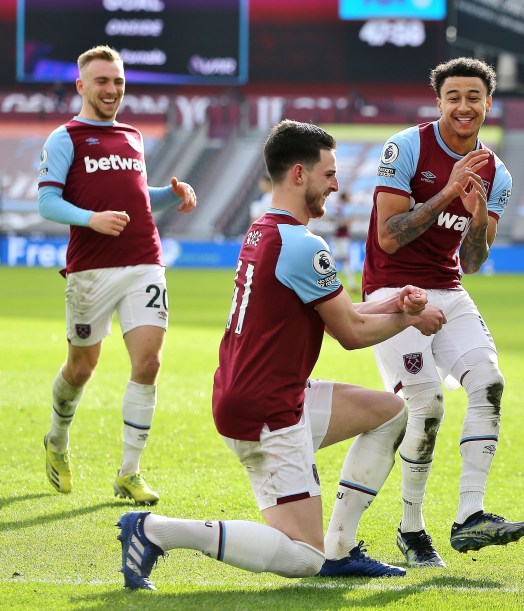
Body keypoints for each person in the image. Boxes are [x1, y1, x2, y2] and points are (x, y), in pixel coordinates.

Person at [116, 119, 448, 590]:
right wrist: (410, 318)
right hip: (267, 408)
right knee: (302, 557)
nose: (336, 183)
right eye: (328, 173)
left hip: (265, 392)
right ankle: (154, 531)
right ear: (298, 174)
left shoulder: (265, 230)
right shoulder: (299, 244)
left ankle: (343, 547)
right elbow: (349, 333)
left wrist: (395, 303)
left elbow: (337, 310)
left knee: (390, 413)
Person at [363, 57, 524, 568]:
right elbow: (388, 238)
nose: (464, 106)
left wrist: (479, 219)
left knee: (489, 382)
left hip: (450, 290)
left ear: (487, 103)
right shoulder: (406, 147)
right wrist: (445, 193)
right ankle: (411, 529)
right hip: (393, 292)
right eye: (453, 96)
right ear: (438, 102)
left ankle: (469, 517)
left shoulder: (497, 171)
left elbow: (473, 262)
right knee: (428, 406)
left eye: (473, 97)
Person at [37, 45, 197, 505]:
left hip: (144, 260)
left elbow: (138, 198)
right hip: (90, 270)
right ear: (82, 86)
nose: (112, 90)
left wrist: (171, 194)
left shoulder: (132, 136)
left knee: (148, 363)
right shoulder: (65, 137)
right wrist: (92, 219)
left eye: (119, 81)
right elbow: (46, 202)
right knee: (81, 367)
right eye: (103, 81)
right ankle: (58, 439)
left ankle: (129, 472)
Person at [333, 191, 358, 292]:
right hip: (341, 237)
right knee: (345, 260)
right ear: (344, 197)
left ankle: (323, 279)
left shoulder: (340, 207)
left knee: (335, 259)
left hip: (340, 236)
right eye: (348, 195)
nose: (350, 197)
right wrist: (349, 221)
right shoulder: (341, 207)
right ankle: (351, 285)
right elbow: (341, 223)